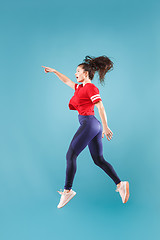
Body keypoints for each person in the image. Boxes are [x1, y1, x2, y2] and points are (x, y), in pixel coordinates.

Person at [42, 55, 130, 208]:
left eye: (78, 71)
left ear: (86, 73)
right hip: (92, 126)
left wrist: (106, 126)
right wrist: (55, 71)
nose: (75, 74)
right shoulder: (80, 87)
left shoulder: (90, 88)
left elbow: (100, 106)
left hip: (90, 124)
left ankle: (67, 190)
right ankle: (120, 184)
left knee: (71, 155)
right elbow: (67, 81)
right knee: (98, 160)